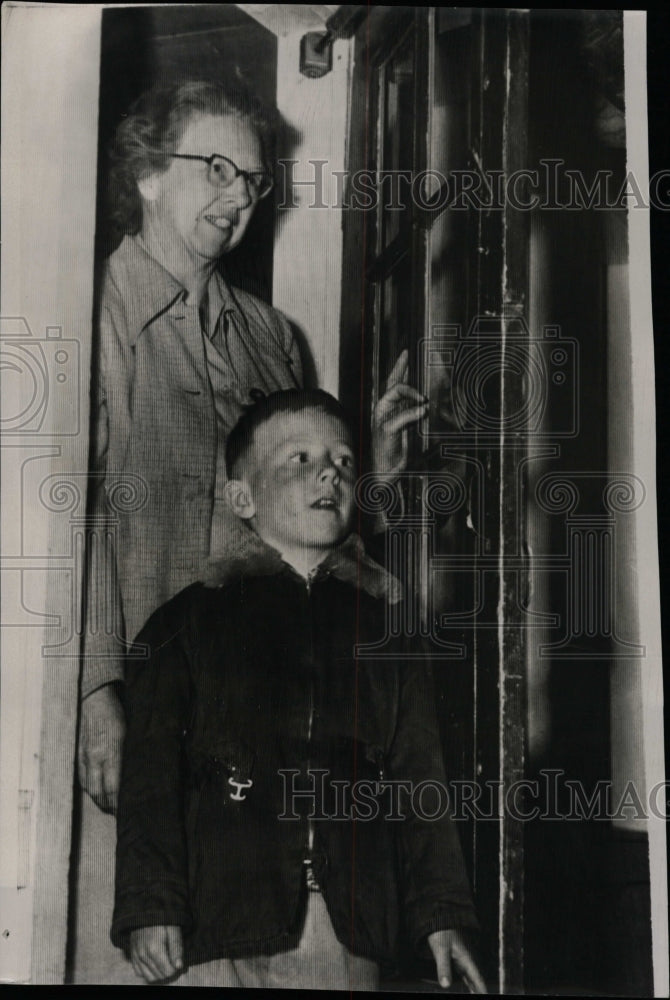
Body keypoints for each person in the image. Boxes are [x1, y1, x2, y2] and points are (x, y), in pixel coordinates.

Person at [74, 79, 426, 982]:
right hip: (148, 723)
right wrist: (93, 693)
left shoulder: (273, 340)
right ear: (148, 175)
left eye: (255, 181)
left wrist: (374, 479)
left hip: (271, 737)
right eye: (217, 168)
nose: (239, 196)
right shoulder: (88, 312)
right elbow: (62, 522)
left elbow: (296, 538)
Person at [111, 389, 487, 992]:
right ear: (242, 496)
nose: (329, 472)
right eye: (299, 458)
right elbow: (150, 779)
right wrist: (150, 904)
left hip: (341, 927)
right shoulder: (185, 623)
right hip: (213, 921)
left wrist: (440, 915)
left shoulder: (388, 628)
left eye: (342, 460)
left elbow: (423, 781)